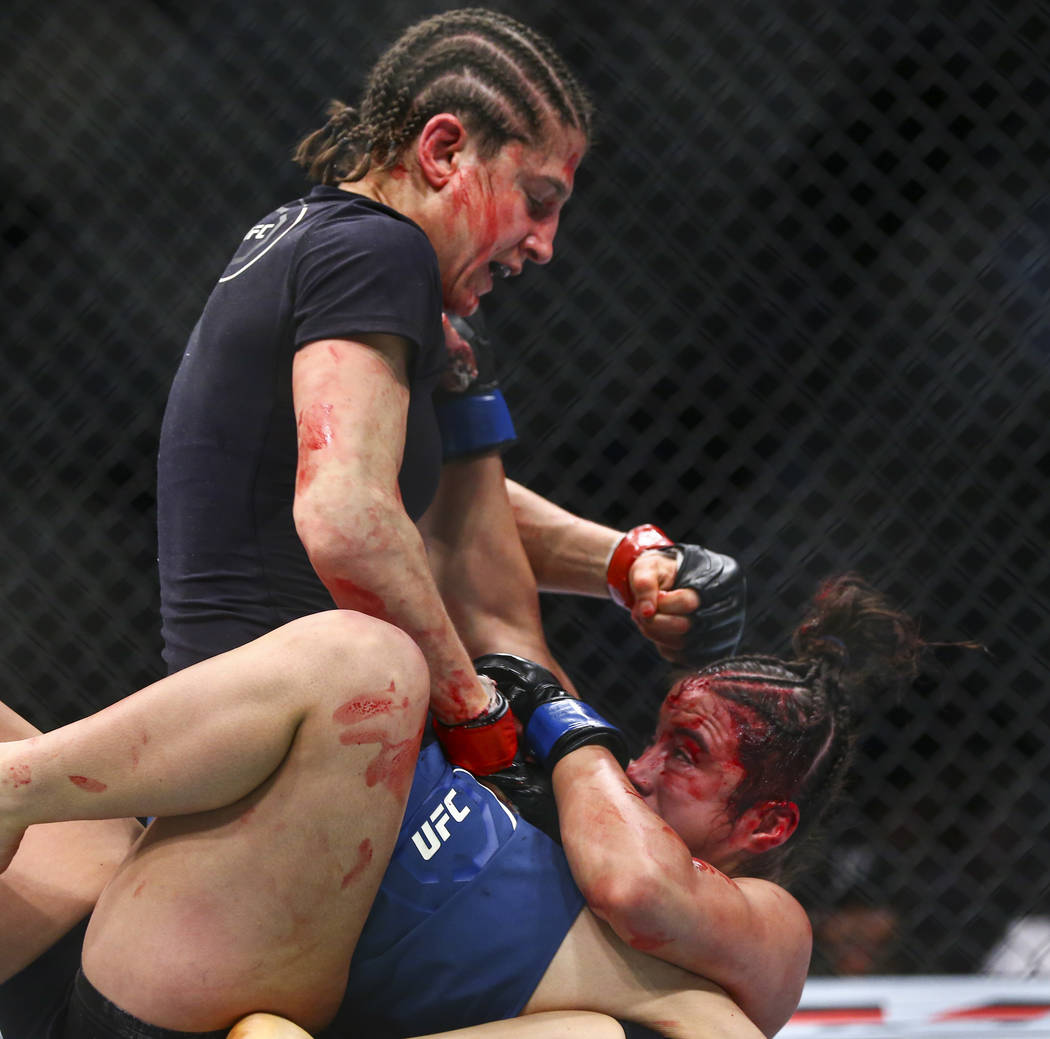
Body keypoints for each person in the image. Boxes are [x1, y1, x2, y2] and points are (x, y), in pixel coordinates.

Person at [154, 7, 746, 749]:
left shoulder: (318, 237)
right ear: (443, 150)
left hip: (246, 713)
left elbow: (422, 497)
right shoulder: (379, 254)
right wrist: (471, 702)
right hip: (286, 741)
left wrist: (620, 560)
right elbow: (347, 516)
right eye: (537, 200)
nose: (546, 245)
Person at [0, 574, 923, 1039]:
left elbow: (638, 886)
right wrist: (469, 402)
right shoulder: (585, 795)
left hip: (201, 988)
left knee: (367, 665)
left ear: (765, 826)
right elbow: (489, 579)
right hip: (146, 916)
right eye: (651, 737)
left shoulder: (757, 925)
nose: (639, 769)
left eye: (686, 757)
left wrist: (560, 724)